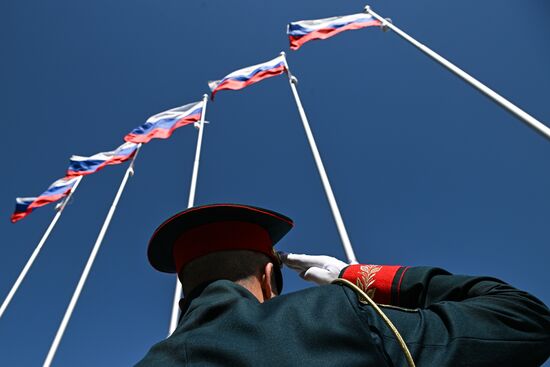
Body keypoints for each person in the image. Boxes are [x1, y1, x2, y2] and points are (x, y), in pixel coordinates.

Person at [136, 203, 550, 366]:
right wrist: (350, 277)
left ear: (182, 301)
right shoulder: (334, 317)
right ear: (268, 278)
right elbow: (524, 320)